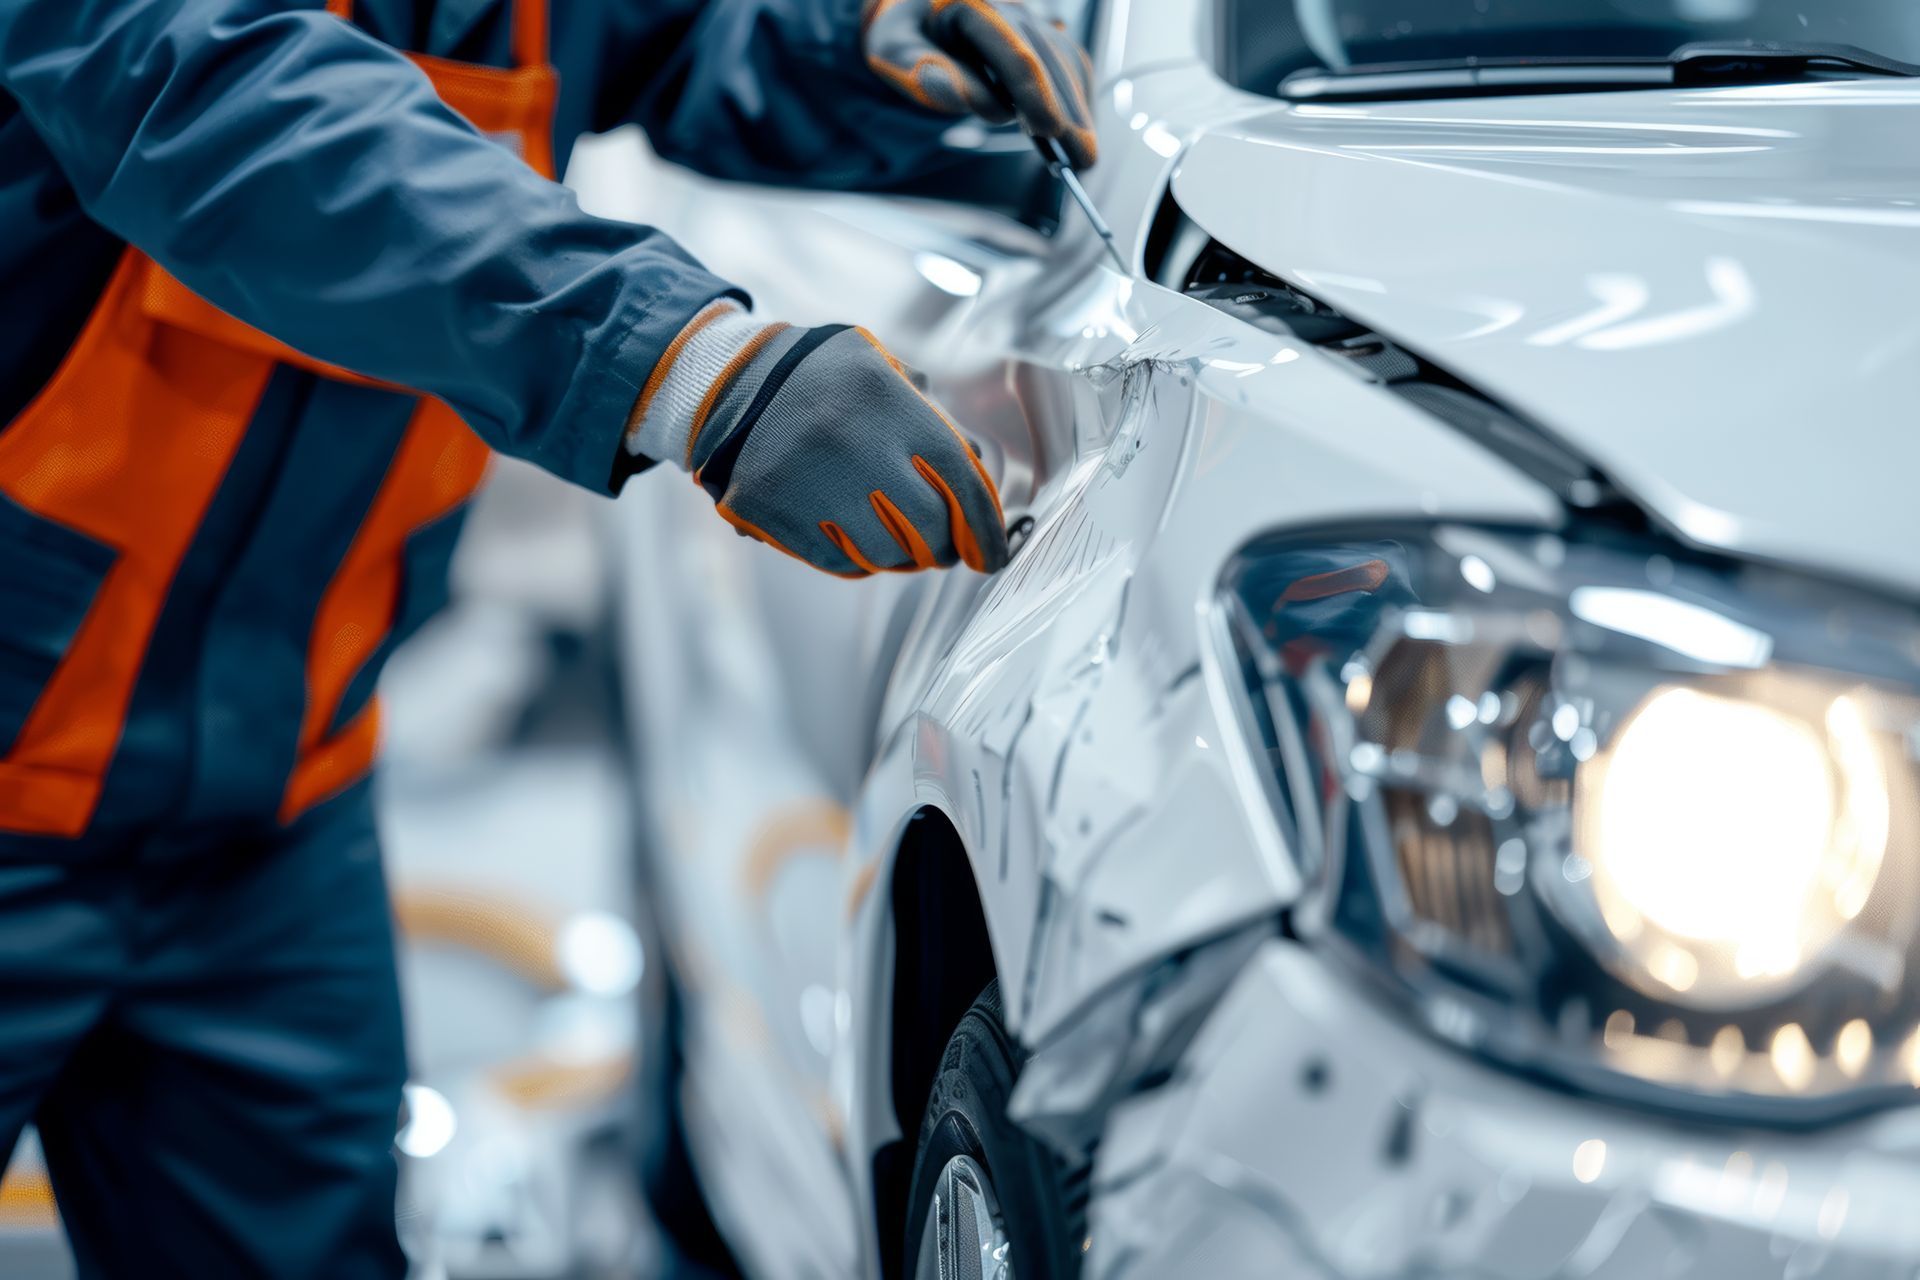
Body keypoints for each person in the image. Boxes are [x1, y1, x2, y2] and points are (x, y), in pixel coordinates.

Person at [0, 0, 1097, 1271]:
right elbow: (233, 102)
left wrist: (848, 54)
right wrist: (690, 369)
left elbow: (658, 34)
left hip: (276, 802)